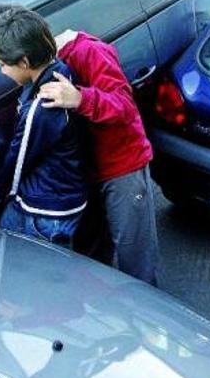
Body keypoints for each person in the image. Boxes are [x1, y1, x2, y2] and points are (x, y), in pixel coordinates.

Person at [38, 30, 158, 286]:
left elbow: (124, 105)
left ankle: (145, 317)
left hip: (122, 168)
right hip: (86, 173)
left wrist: (80, 98)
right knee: (92, 253)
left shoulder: (90, 52)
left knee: (134, 257)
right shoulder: (51, 63)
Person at [0, 7, 88, 250]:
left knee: (22, 262)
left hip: (44, 213)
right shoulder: (61, 71)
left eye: (3, 65)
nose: (1, 71)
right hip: (66, 195)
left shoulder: (42, 107)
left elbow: (17, 161)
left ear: (24, 62)